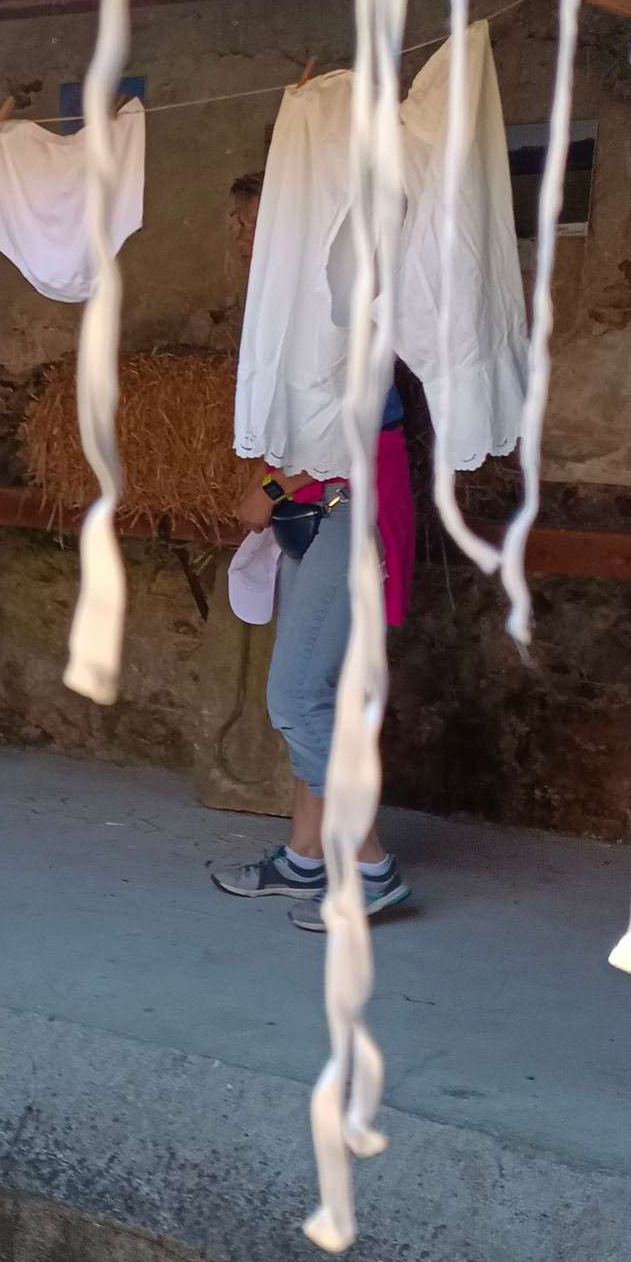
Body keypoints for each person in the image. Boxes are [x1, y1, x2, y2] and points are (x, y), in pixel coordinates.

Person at [211, 169, 417, 926]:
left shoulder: (339, 308)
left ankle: (370, 865)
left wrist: (268, 489)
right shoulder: (292, 307)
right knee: (319, 693)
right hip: (321, 507)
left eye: (253, 223)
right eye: (237, 223)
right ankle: (304, 859)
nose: (241, 237)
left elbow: (348, 424)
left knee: (296, 696)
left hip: (352, 507)